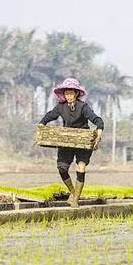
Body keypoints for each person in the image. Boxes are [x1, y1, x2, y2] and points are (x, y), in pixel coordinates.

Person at [39, 78, 104, 207]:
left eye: (71, 93)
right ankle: (73, 192)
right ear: (64, 94)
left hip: (83, 141)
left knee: (81, 166)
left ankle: (76, 198)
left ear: (76, 94)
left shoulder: (83, 107)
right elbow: (50, 115)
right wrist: (41, 124)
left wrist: (99, 131)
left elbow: (96, 119)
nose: (69, 96)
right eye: (66, 93)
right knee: (62, 168)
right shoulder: (61, 107)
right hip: (67, 140)